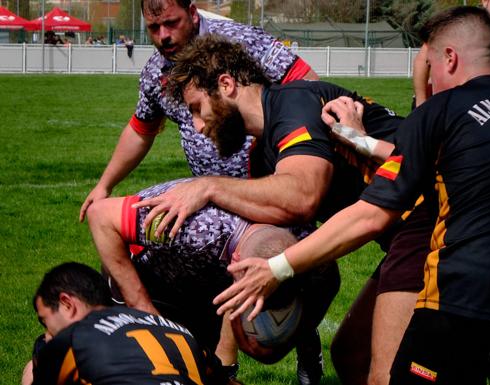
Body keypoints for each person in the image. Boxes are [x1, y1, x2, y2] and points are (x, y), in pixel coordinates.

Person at [214, 6, 490, 385]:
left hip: (467, 292)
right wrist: (358, 138)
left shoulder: (442, 108)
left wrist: (276, 268)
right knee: (351, 352)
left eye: (429, 65)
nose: (428, 79)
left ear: (450, 59)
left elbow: (372, 214)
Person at [134, 35, 434, 385]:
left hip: (436, 221)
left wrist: (208, 186)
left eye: (198, 108)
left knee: (386, 373)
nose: (198, 126)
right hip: (403, 237)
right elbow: (270, 235)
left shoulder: (293, 104)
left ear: (226, 84)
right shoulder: (263, 156)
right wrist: (226, 356)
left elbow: (302, 194)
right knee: (351, 354)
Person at [78, 0, 318, 376]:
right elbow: (142, 129)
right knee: (230, 278)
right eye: (153, 29)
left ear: (191, 12)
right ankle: (219, 366)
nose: (164, 37)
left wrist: (288, 151)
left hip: (268, 190)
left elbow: (305, 83)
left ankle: (303, 345)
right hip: (206, 204)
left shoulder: (237, 40)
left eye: (171, 23)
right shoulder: (156, 71)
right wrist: (105, 183)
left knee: (298, 266)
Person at [86, 178, 340, 385]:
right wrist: (145, 310)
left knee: (205, 368)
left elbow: (328, 281)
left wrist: (294, 331)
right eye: (252, 291)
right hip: (147, 275)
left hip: (203, 281)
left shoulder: (305, 241)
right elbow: (101, 215)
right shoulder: (197, 228)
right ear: (236, 262)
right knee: (161, 365)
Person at [26, 262, 226, 385]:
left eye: (45, 320)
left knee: (31, 368)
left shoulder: (73, 338)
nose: (48, 333)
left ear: (67, 304)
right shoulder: (177, 330)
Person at [412, 0, 490, 108]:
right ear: (485, 1)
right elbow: (423, 60)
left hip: (468, 105)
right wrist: (421, 101)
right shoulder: (458, 24)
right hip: (436, 102)